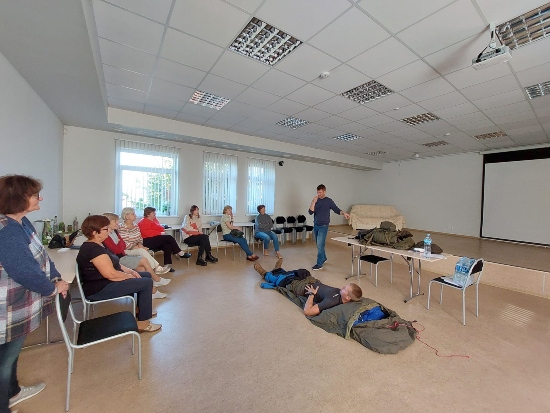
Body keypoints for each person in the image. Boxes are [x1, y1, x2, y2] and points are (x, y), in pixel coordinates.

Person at [0, 175, 70, 413]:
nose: (40, 198)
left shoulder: (21, 222)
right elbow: (24, 270)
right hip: (8, 306)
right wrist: (52, 288)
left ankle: (12, 393)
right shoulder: (6, 230)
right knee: (4, 361)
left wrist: (56, 277)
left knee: (9, 355)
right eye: (34, 195)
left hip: (17, 303)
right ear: (17, 199)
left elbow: (41, 257)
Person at [76, 215, 161, 333]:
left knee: (145, 275)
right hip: (100, 288)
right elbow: (111, 274)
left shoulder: (99, 244)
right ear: (94, 232)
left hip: (104, 282)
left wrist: (130, 271)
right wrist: (129, 277)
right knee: (146, 282)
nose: (109, 230)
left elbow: (115, 263)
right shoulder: (93, 250)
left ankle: (140, 310)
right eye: (106, 229)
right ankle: (143, 323)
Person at [253, 260, 362, 316]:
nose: (342, 287)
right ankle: (277, 269)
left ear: (348, 297)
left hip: (302, 287)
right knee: (296, 272)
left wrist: (312, 294)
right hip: (311, 280)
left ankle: (264, 273)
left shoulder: (331, 301)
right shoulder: (342, 296)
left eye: (345, 289)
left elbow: (308, 311)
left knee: (282, 279)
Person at [102, 213, 169, 299]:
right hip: (118, 258)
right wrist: (122, 244)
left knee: (142, 269)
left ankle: (152, 291)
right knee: (143, 260)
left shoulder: (115, 231)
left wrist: (124, 243)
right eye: (114, 221)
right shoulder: (107, 235)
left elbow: (123, 244)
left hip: (123, 254)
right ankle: (157, 279)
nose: (117, 223)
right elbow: (118, 249)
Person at [308, 184, 350, 271]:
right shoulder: (316, 200)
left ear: (324, 192)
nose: (318, 194)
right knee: (319, 245)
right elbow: (310, 212)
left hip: (324, 226)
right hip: (316, 225)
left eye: (320, 192)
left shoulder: (329, 201)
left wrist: (344, 213)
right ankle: (323, 258)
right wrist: (313, 202)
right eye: (317, 192)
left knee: (320, 245)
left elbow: (337, 210)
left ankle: (319, 264)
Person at [118, 207, 172, 273]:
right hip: (127, 249)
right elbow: (124, 243)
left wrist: (140, 244)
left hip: (137, 247)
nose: (135, 215)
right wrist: (137, 247)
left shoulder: (135, 226)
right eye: (133, 214)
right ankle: (157, 268)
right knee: (142, 250)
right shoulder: (121, 227)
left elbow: (139, 238)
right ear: (127, 216)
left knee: (166, 244)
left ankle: (159, 267)